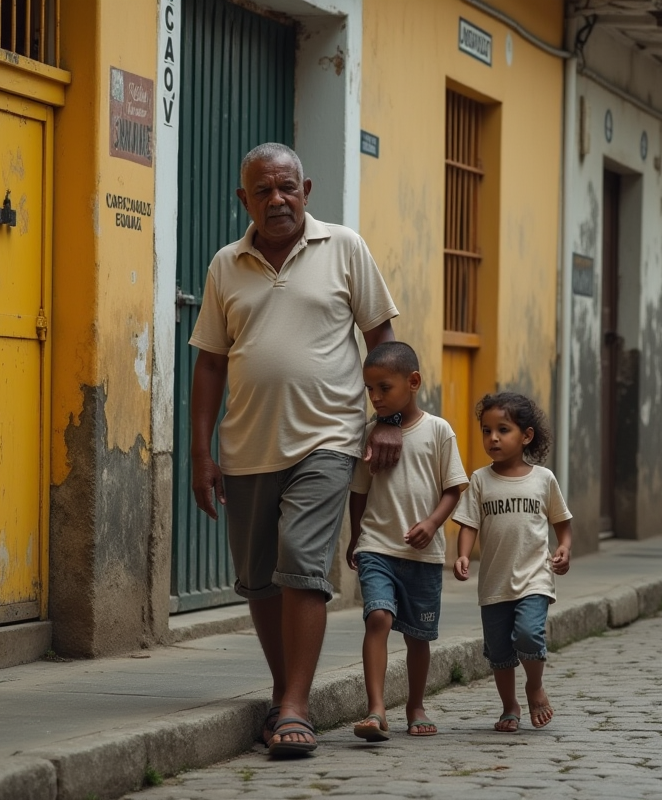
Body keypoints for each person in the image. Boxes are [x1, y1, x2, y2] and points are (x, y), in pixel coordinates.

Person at [189, 143, 402, 758]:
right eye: (263, 190)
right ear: (244, 200)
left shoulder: (344, 248)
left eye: (287, 187)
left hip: (329, 438)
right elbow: (209, 362)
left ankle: (296, 707)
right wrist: (202, 454)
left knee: (301, 563)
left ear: (306, 189)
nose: (277, 199)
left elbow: (381, 338)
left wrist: (388, 418)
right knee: (259, 580)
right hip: (248, 445)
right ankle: (287, 693)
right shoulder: (225, 265)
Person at [344, 342, 468, 742]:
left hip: (423, 554)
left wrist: (433, 524)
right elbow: (359, 491)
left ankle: (416, 705)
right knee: (378, 618)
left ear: (413, 382)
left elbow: (454, 488)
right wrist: (355, 535)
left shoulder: (438, 431)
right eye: (370, 390)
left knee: (418, 637)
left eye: (384, 387)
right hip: (377, 546)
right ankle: (376, 709)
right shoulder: (370, 435)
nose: (376, 398)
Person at [452, 392, 573, 733]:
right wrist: (463, 554)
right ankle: (509, 707)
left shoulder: (543, 479)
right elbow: (468, 524)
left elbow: (561, 521)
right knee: (500, 653)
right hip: (494, 583)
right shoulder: (479, 480)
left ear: (526, 436)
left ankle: (534, 686)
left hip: (534, 577)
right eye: (486, 430)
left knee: (528, 634)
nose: (493, 438)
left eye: (503, 430)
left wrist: (564, 546)